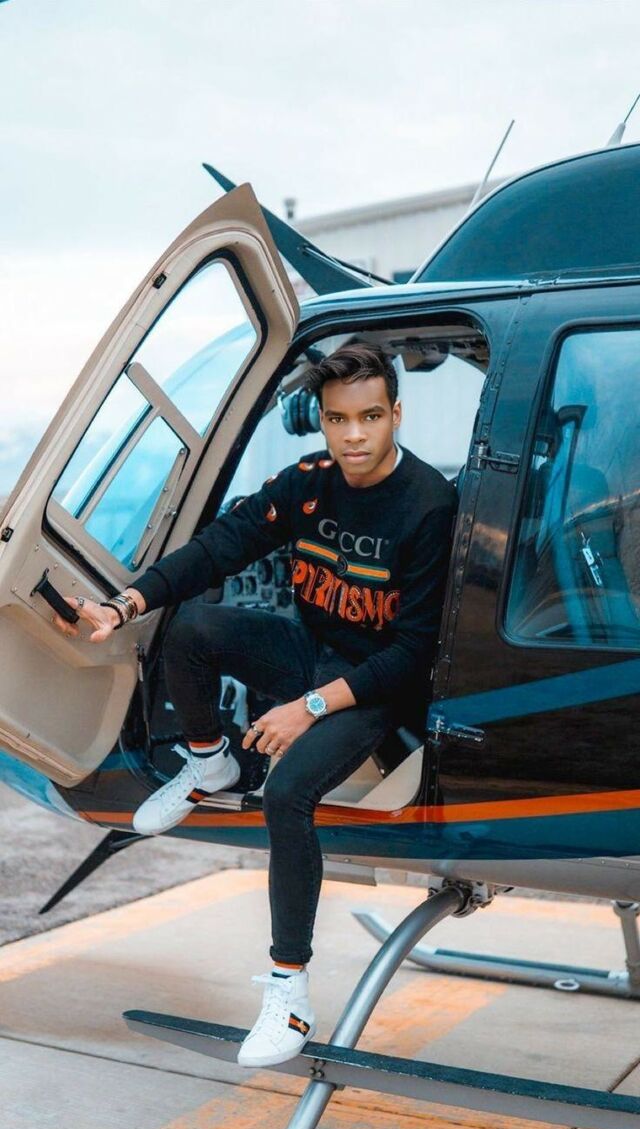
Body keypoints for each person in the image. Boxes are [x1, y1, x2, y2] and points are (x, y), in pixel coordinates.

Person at [53, 343, 456, 1067]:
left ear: (396, 414)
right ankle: (209, 763)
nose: (354, 435)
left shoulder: (429, 503)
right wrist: (123, 605)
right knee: (191, 629)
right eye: (338, 419)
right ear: (322, 421)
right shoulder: (308, 483)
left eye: (370, 417)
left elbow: (413, 652)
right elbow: (217, 549)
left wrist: (308, 706)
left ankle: (290, 993)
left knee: (288, 792)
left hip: (377, 684)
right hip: (316, 652)